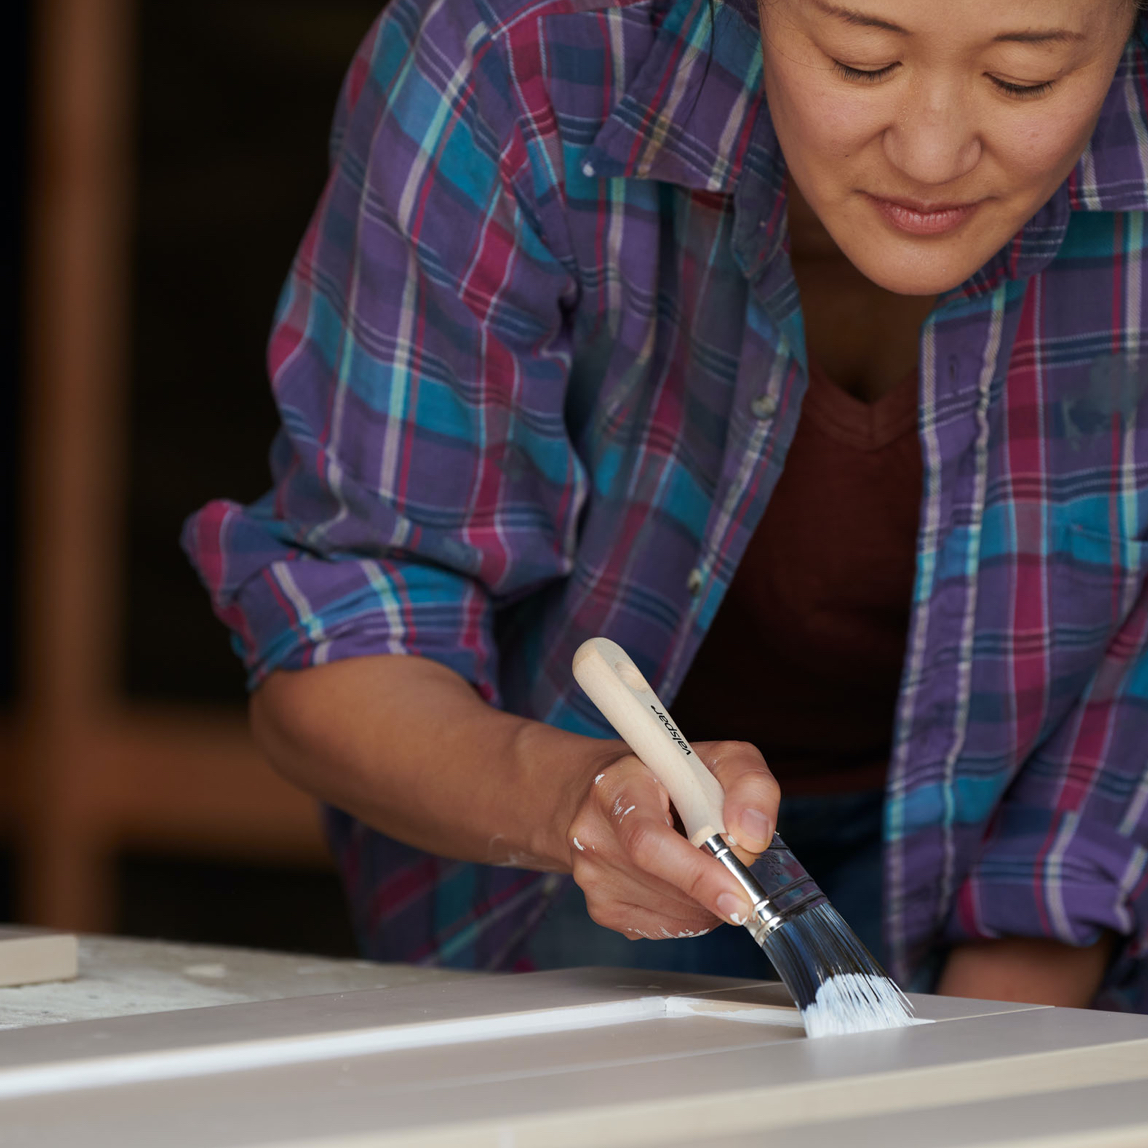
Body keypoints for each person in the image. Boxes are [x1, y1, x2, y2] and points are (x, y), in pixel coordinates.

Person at [184, 0, 1148, 1010]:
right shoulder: (511, 64)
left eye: (1023, 77)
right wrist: (577, 799)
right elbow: (344, 649)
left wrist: (999, 1027)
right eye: (860, 62)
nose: (930, 151)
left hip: (1080, 900)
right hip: (556, 888)